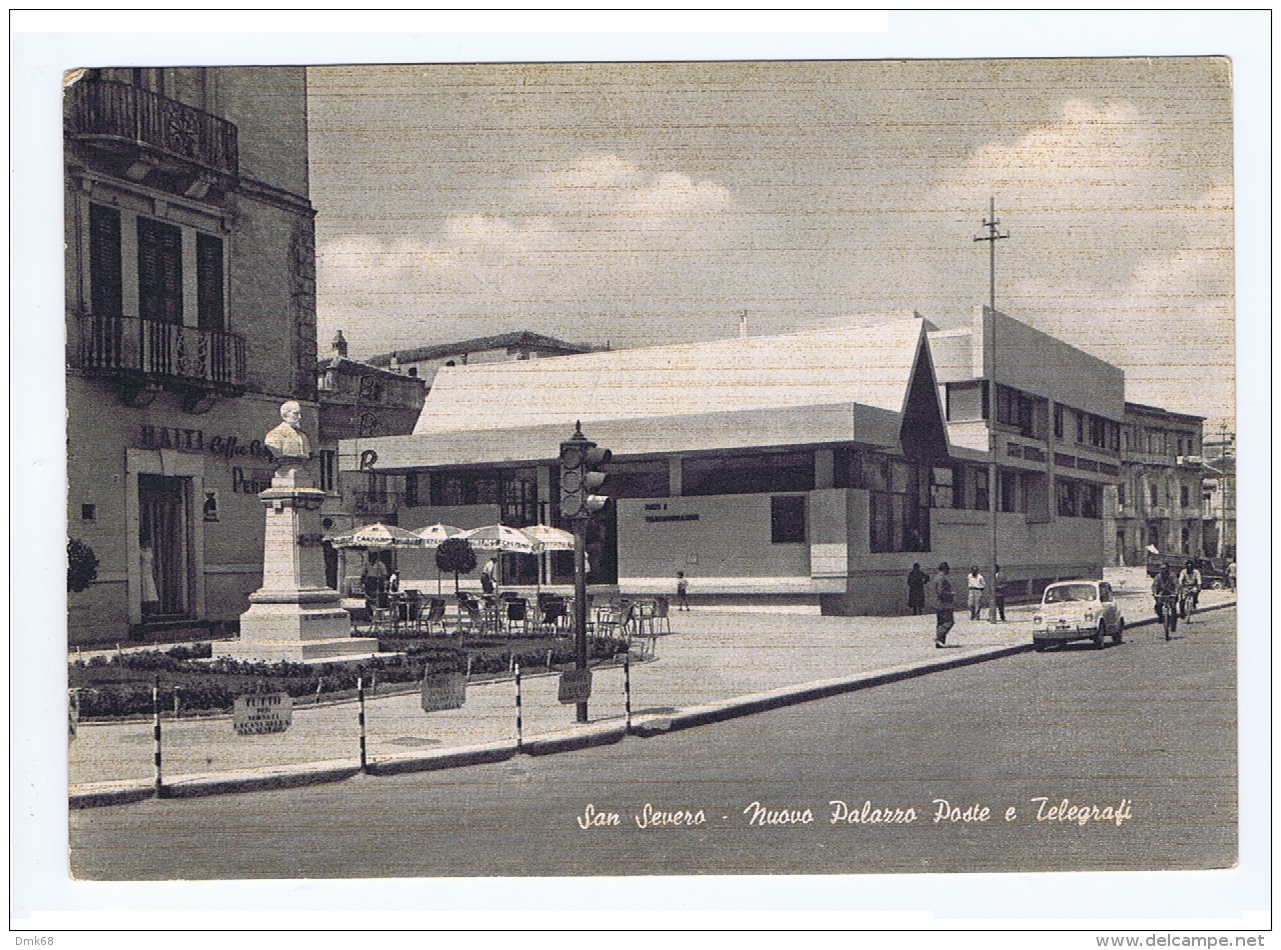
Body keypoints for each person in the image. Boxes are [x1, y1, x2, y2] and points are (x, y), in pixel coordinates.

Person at [932, 562, 955, 647]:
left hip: (938, 603)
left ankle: (940, 642)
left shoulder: (936, 577)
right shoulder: (942, 578)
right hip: (944, 603)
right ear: (945, 569)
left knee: (940, 623)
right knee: (949, 622)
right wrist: (950, 594)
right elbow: (941, 591)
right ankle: (938, 637)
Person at [1152, 563, 1178, 633]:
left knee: (1173, 608)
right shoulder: (1158, 576)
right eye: (1161, 569)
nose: (1162, 570)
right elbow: (1155, 585)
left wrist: (1176, 592)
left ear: (1168, 569)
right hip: (1162, 593)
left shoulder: (1172, 575)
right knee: (1158, 606)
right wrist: (1154, 593)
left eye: (1164, 568)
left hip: (1171, 593)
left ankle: (1173, 625)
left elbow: (1176, 584)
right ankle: (1161, 617)